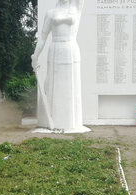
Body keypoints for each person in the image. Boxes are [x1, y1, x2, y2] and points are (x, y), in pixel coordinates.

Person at [31, 0, 89, 132]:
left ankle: (70, 123)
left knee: (70, 88)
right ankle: (52, 121)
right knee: (53, 87)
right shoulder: (51, 13)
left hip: (71, 49)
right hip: (56, 49)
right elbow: (43, 37)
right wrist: (35, 56)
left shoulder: (76, 8)